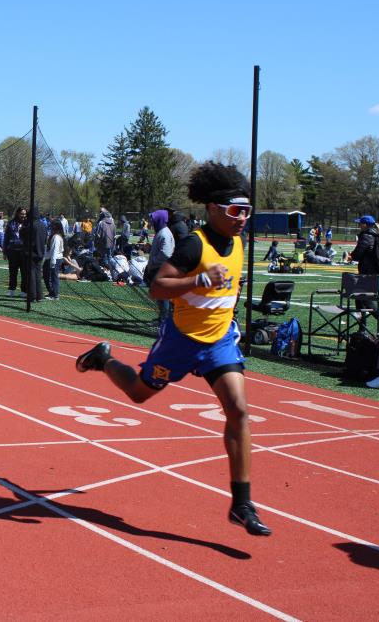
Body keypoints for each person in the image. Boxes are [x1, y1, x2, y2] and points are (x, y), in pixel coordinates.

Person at [75, 162, 271, 537]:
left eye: (247, 211)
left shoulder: (240, 242)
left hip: (219, 342)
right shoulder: (194, 244)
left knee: (239, 410)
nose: (242, 218)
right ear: (213, 209)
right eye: (235, 211)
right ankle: (104, 359)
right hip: (181, 341)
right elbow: (157, 287)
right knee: (138, 393)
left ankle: (242, 502)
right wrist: (199, 280)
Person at [147, 209, 176, 326]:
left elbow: (166, 253)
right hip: (159, 268)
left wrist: (153, 261)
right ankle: (162, 318)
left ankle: (164, 320)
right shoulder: (162, 232)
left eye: (154, 220)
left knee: (163, 296)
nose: (152, 222)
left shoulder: (164, 233)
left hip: (161, 269)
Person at [3, 207, 27, 297]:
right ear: (17, 214)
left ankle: (24, 291)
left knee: (24, 273)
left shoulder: (28, 223)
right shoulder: (11, 223)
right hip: (12, 251)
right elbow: (6, 238)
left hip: (24, 252)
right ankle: (11, 289)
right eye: (22, 214)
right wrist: (5, 251)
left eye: (25, 214)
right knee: (13, 272)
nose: (23, 215)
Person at [44, 220, 65, 300]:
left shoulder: (56, 237)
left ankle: (55, 294)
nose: (51, 227)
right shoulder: (56, 236)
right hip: (53, 258)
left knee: (53, 277)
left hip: (55, 259)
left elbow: (54, 250)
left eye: (52, 226)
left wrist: (52, 262)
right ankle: (52, 292)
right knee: (49, 276)